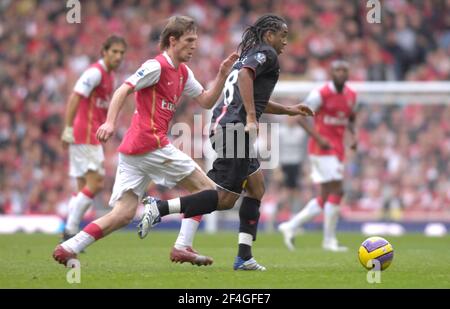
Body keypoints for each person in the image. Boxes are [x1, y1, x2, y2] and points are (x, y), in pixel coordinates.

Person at [53, 16, 239, 266]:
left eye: (196, 40)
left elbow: (206, 100)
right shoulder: (156, 66)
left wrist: (222, 74)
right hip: (150, 143)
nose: (194, 46)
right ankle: (181, 245)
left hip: (134, 151)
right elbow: (123, 89)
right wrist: (109, 122)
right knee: (207, 191)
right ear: (172, 40)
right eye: (189, 40)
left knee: (123, 214)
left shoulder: (183, 72)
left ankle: (68, 247)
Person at [138, 14, 314, 271]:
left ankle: (244, 256)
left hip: (228, 128)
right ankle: (160, 207)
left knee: (256, 188)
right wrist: (252, 119)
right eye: (282, 35)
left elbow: (249, 94)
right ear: (269, 35)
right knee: (224, 199)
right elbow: (245, 77)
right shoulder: (266, 54)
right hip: (233, 130)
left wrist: (289, 110)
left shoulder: (249, 55)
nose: (285, 41)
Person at [278, 60, 357, 252]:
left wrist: (352, 135)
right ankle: (329, 240)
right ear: (331, 73)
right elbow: (298, 117)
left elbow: (350, 117)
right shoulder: (320, 94)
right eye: (337, 70)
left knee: (324, 196)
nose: (340, 73)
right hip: (321, 150)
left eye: (344, 70)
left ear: (348, 73)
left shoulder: (351, 95)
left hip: (337, 150)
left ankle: (291, 226)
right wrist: (319, 138)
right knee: (338, 191)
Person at [61, 35, 127, 241]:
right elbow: (75, 96)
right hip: (86, 134)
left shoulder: (111, 75)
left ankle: (69, 229)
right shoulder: (94, 73)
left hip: (91, 136)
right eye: (114, 51)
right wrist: (68, 128)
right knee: (96, 184)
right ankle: (70, 230)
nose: (118, 56)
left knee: (84, 190)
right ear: (104, 52)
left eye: (121, 53)